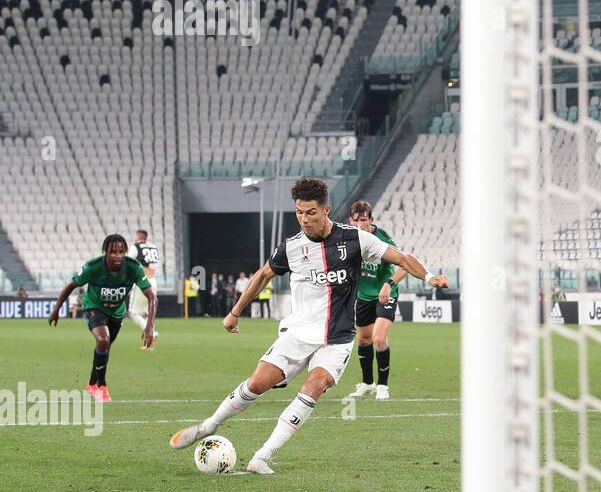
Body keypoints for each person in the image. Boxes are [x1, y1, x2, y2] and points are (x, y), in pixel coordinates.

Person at [169, 177, 449, 474]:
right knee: (257, 384)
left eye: (311, 212)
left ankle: (263, 455)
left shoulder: (355, 239)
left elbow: (401, 258)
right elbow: (263, 276)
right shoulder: (291, 248)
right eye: (299, 212)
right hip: (298, 334)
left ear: (326, 210)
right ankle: (209, 425)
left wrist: (430, 277)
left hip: (337, 337)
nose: (304, 219)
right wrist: (235, 311)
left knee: (314, 386)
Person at [48, 234, 157, 402]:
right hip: (94, 307)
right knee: (103, 340)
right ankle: (101, 386)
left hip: (116, 312)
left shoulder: (133, 267)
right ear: (105, 252)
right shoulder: (93, 267)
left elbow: (152, 297)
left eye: (121, 251)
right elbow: (70, 286)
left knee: (104, 348)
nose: (118, 256)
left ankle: (92, 384)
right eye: (113, 252)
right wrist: (56, 309)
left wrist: (149, 327)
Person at [346, 200, 412, 401]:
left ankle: (383, 385)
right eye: (356, 221)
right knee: (364, 339)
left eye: (363, 220)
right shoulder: (349, 238)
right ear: (351, 220)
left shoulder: (384, 240)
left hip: (385, 294)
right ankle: (367, 383)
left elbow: (405, 265)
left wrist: (389, 283)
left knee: (379, 339)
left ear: (371, 220)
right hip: (363, 296)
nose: (359, 225)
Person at [128, 229, 162, 348]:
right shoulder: (153, 247)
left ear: (138, 238)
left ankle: (152, 332)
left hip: (142, 281)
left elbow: (127, 262)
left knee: (132, 312)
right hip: (153, 280)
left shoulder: (136, 247)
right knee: (149, 312)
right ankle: (149, 343)